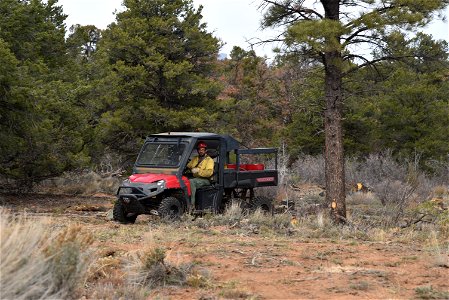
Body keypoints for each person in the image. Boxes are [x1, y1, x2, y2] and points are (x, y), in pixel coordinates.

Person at [186, 141, 214, 212]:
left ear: (205, 150)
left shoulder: (209, 160)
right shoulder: (195, 158)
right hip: (196, 178)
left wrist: (198, 170)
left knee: (192, 182)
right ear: (197, 150)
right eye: (199, 150)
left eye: (202, 150)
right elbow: (188, 166)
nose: (201, 151)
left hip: (205, 180)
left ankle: (192, 206)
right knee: (185, 180)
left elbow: (209, 173)